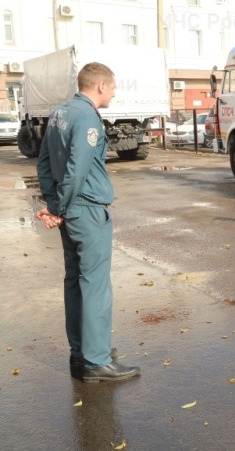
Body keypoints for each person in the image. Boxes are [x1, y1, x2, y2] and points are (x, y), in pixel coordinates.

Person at [36, 62, 141, 383]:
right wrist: (61, 209)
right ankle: (97, 362)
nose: (113, 92)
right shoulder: (86, 118)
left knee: (75, 280)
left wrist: (53, 204)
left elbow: (44, 163)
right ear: (100, 87)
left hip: (70, 210)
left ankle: (80, 353)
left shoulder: (60, 113)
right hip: (87, 210)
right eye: (112, 87)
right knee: (95, 284)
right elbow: (77, 170)